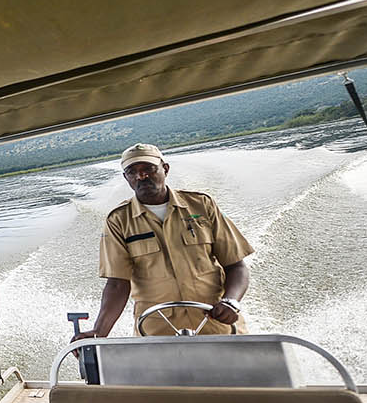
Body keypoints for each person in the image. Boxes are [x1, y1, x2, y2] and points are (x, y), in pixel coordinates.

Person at [76, 143, 252, 340]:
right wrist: (99, 332)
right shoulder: (118, 220)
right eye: (132, 172)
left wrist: (231, 301)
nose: (141, 176)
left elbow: (236, 265)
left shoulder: (202, 205)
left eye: (148, 169)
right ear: (126, 178)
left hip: (217, 324)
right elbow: (117, 284)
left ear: (165, 169)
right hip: (157, 332)